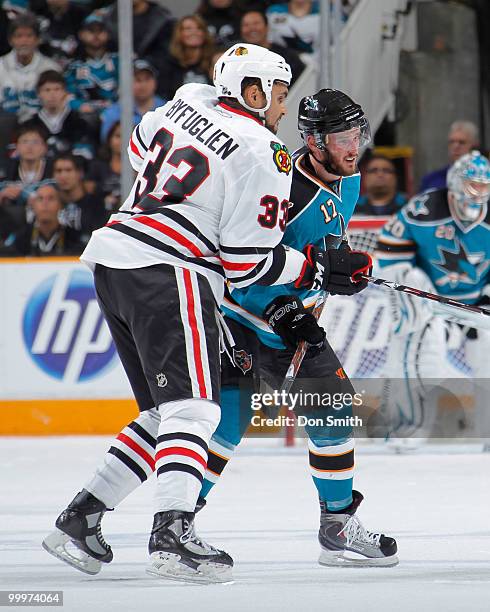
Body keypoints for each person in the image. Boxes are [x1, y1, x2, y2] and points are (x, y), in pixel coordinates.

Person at [42, 42, 345, 584]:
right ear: (251, 92)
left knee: (164, 412)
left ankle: (80, 518)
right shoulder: (265, 152)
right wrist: (314, 272)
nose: (282, 106)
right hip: (170, 268)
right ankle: (171, 533)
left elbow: (139, 150)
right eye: (277, 93)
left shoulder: (182, 104)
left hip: (114, 257)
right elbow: (247, 265)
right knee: (196, 411)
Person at [376, 151, 490, 445]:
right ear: (453, 182)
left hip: (477, 302)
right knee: (419, 346)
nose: (476, 192)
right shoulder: (425, 208)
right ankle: (404, 425)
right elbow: (389, 244)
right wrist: (409, 281)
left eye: (482, 185)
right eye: (470, 184)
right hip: (432, 300)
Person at [21, 70, 96, 161]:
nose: (52, 95)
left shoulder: (79, 122)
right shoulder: (30, 125)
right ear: (38, 94)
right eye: (47, 90)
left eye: (57, 89)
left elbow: (86, 155)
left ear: (65, 92)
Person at [0, 12, 60, 121]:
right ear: (10, 40)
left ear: (38, 40)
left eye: (29, 36)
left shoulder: (51, 68)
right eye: (19, 36)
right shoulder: (1, 66)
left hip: (40, 124)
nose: (24, 41)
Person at [0, 181, 84, 256]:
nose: (45, 203)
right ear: (33, 206)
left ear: (60, 205)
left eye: (51, 198)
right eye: (40, 199)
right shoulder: (21, 239)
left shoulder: (73, 237)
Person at [99, 59, 166, 144]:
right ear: (126, 82)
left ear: (155, 82)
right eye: (138, 80)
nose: (143, 85)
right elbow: (106, 145)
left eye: (147, 79)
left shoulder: (166, 109)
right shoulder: (113, 113)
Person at [64, 15, 118, 117]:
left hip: (115, 115)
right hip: (85, 116)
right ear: (81, 34)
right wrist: (79, 105)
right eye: (91, 31)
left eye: (100, 30)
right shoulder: (74, 66)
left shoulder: (118, 61)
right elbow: (67, 94)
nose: (96, 35)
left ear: (107, 34)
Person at [154, 15, 215, 101]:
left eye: (199, 28)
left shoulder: (214, 61)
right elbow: (163, 95)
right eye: (188, 29)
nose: (194, 32)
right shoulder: (168, 63)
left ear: (204, 33)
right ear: (179, 34)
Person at [53, 153, 106, 245]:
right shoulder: (50, 205)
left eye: (68, 170)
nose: (63, 176)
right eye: (59, 171)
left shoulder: (96, 206)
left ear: (80, 173)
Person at [240, 9, 305, 84]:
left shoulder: (288, 56)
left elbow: (301, 85)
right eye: (246, 25)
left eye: (256, 23)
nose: (251, 28)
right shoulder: (235, 57)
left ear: (267, 27)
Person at [0, 122, 52, 211]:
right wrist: (2, 195)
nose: (29, 147)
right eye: (24, 141)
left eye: (35, 142)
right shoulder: (5, 169)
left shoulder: (55, 169)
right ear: (16, 147)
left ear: (45, 147)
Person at [419, 120, 479, 192]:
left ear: (474, 145)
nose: (455, 146)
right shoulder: (431, 179)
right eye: (451, 142)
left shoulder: (483, 178)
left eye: (462, 142)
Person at [85, 121, 121, 215]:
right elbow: (88, 188)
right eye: (118, 136)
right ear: (109, 140)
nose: (123, 141)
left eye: (128, 136)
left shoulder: (141, 168)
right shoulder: (98, 166)